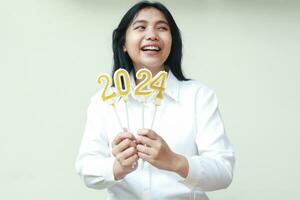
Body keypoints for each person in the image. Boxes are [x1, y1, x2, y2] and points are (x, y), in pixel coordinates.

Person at [75, 1, 235, 200]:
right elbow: (86, 168)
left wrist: (174, 161)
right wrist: (118, 167)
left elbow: (224, 172)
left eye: (162, 28)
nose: (152, 34)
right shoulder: (104, 101)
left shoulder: (198, 96)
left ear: (172, 42)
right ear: (123, 43)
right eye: (140, 27)